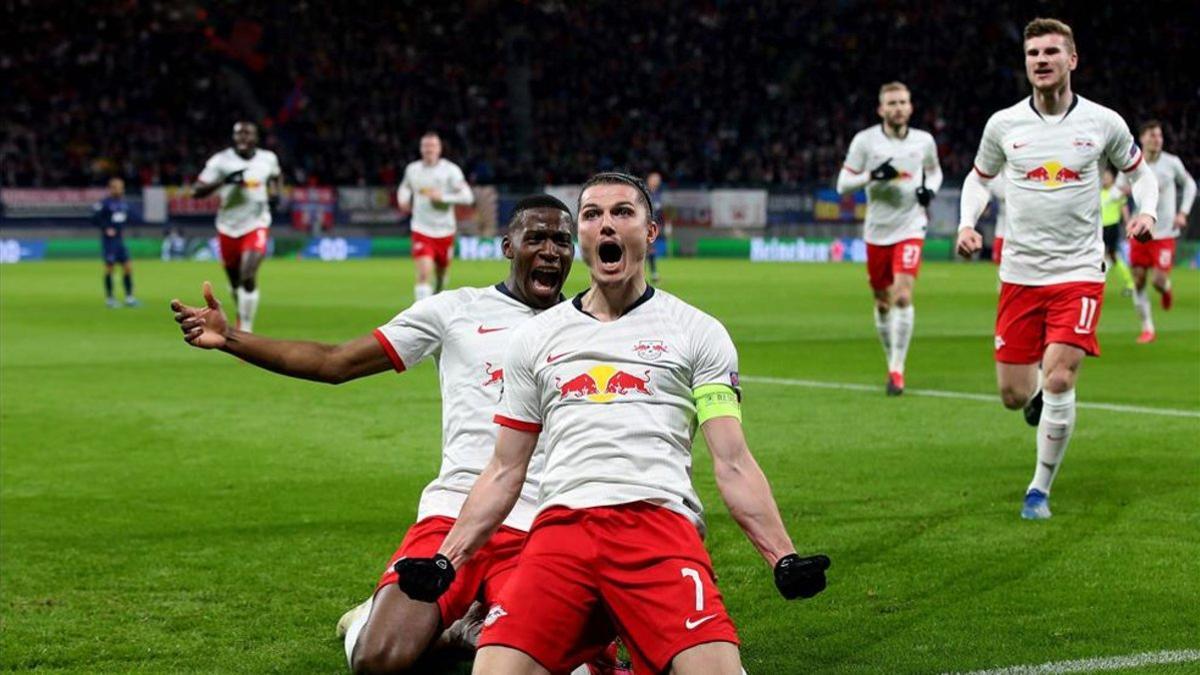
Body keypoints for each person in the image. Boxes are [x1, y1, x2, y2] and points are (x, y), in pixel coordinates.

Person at [394, 172, 830, 675]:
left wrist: (782, 556)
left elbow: (732, 462)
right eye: (592, 215)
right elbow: (504, 470)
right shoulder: (536, 340)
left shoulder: (698, 333)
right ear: (581, 234)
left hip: (659, 533)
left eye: (622, 212)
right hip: (559, 535)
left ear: (650, 232)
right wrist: (447, 559)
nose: (606, 225)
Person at [172, 196, 597, 673]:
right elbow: (335, 362)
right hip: (454, 515)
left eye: (561, 240)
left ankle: (474, 626)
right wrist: (230, 339)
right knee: (378, 660)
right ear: (507, 246)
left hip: (543, 526)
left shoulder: (590, 329)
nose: (549, 251)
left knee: (566, 668)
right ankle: (403, 623)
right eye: (535, 238)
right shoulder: (455, 311)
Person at [956, 18, 1158, 520]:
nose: (1041, 61)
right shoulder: (1004, 125)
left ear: (1072, 60)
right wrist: (966, 222)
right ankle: (1038, 396)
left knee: (1062, 377)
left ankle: (1038, 490)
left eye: (1051, 52)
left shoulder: (1102, 122)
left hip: (1079, 271)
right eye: (1032, 54)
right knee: (1013, 394)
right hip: (1020, 275)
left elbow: (1140, 173)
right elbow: (978, 179)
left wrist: (1148, 212)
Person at [836, 82, 943, 396]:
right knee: (883, 303)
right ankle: (890, 359)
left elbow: (935, 172)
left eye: (903, 102)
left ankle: (897, 370)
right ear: (881, 109)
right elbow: (843, 184)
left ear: (910, 107)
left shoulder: (924, 141)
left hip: (911, 226)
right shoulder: (865, 141)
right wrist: (871, 176)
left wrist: (929, 190)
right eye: (891, 103)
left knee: (902, 296)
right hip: (877, 231)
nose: (898, 108)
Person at [192, 121, 283, 333]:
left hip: (256, 223)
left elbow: (276, 175)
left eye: (247, 134)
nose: (243, 138)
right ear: (234, 138)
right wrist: (224, 181)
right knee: (234, 282)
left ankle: (246, 328)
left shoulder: (267, 159)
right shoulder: (220, 161)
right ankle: (241, 311)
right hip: (228, 227)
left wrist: (276, 193)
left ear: (256, 138)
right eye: (238, 134)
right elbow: (197, 191)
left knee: (248, 275)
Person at [1121, 121, 1196, 343]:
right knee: (1139, 280)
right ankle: (1147, 328)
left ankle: (1166, 288)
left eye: (1160, 136)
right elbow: (1116, 188)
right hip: (1141, 231)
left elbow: (1190, 185)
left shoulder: (1171, 163)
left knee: (1158, 280)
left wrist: (1183, 213)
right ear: (1142, 138)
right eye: (1153, 135)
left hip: (1164, 234)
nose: (1157, 139)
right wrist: (1119, 195)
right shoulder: (1132, 163)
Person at [397, 132, 475, 301]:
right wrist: (402, 199)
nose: (429, 149)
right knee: (424, 273)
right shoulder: (413, 169)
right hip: (421, 229)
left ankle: (437, 294)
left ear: (439, 149)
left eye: (432, 146)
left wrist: (443, 198)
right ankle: (421, 315)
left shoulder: (451, 170)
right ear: (421, 149)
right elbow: (405, 186)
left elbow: (468, 197)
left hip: (445, 231)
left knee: (440, 276)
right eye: (425, 146)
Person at [93, 177, 139, 308]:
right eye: (118, 187)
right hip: (109, 242)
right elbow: (94, 218)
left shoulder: (123, 203)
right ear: (112, 188)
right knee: (109, 268)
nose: (121, 189)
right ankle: (110, 299)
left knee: (128, 267)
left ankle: (129, 297)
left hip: (119, 240)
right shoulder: (104, 203)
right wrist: (105, 228)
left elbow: (131, 217)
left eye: (122, 187)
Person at [1099, 165, 1135, 295]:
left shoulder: (1116, 192)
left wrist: (1128, 224)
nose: (1104, 179)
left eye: (1107, 177)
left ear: (1113, 179)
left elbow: (1124, 209)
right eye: (1103, 177)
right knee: (1108, 257)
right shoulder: (1099, 192)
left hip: (1112, 227)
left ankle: (1129, 283)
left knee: (1108, 256)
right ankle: (1129, 283)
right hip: (1099, 228)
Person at [645, 171, 664, 283]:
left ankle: (653, 273)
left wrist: (661, 225)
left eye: (658, 180)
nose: (656, 182)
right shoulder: (644, 193)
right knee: (645, 250)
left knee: (650, 250)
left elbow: (659, 213)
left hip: (653, 226)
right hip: (643, 225)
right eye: (654, 179)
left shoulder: (658, 195)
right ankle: (652, 274)